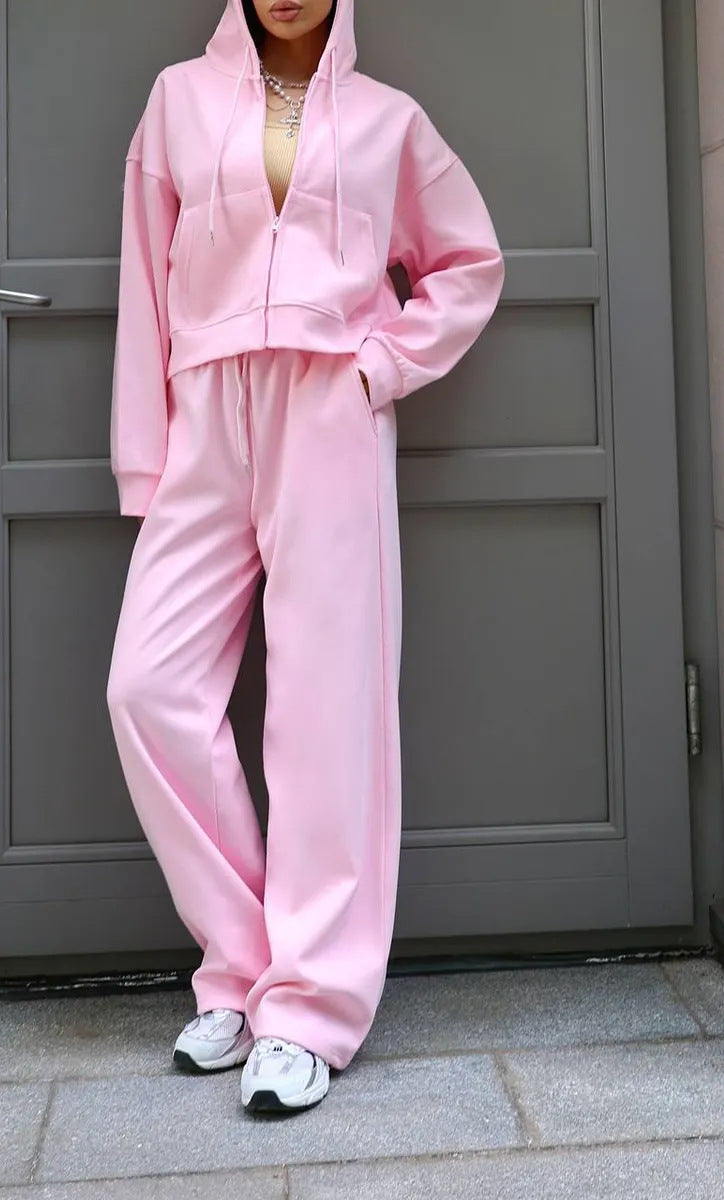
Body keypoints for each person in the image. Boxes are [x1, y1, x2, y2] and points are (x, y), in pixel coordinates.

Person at [106, 0, 504, 1115]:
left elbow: (469, 263)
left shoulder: (387, 120)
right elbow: (145, 287)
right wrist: (146, 458)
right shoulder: (178, 101)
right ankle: (243, 965)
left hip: (329, 409)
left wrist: (380, 365)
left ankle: (312, 1009)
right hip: (206, 413)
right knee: (147, 688)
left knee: (327, 712)